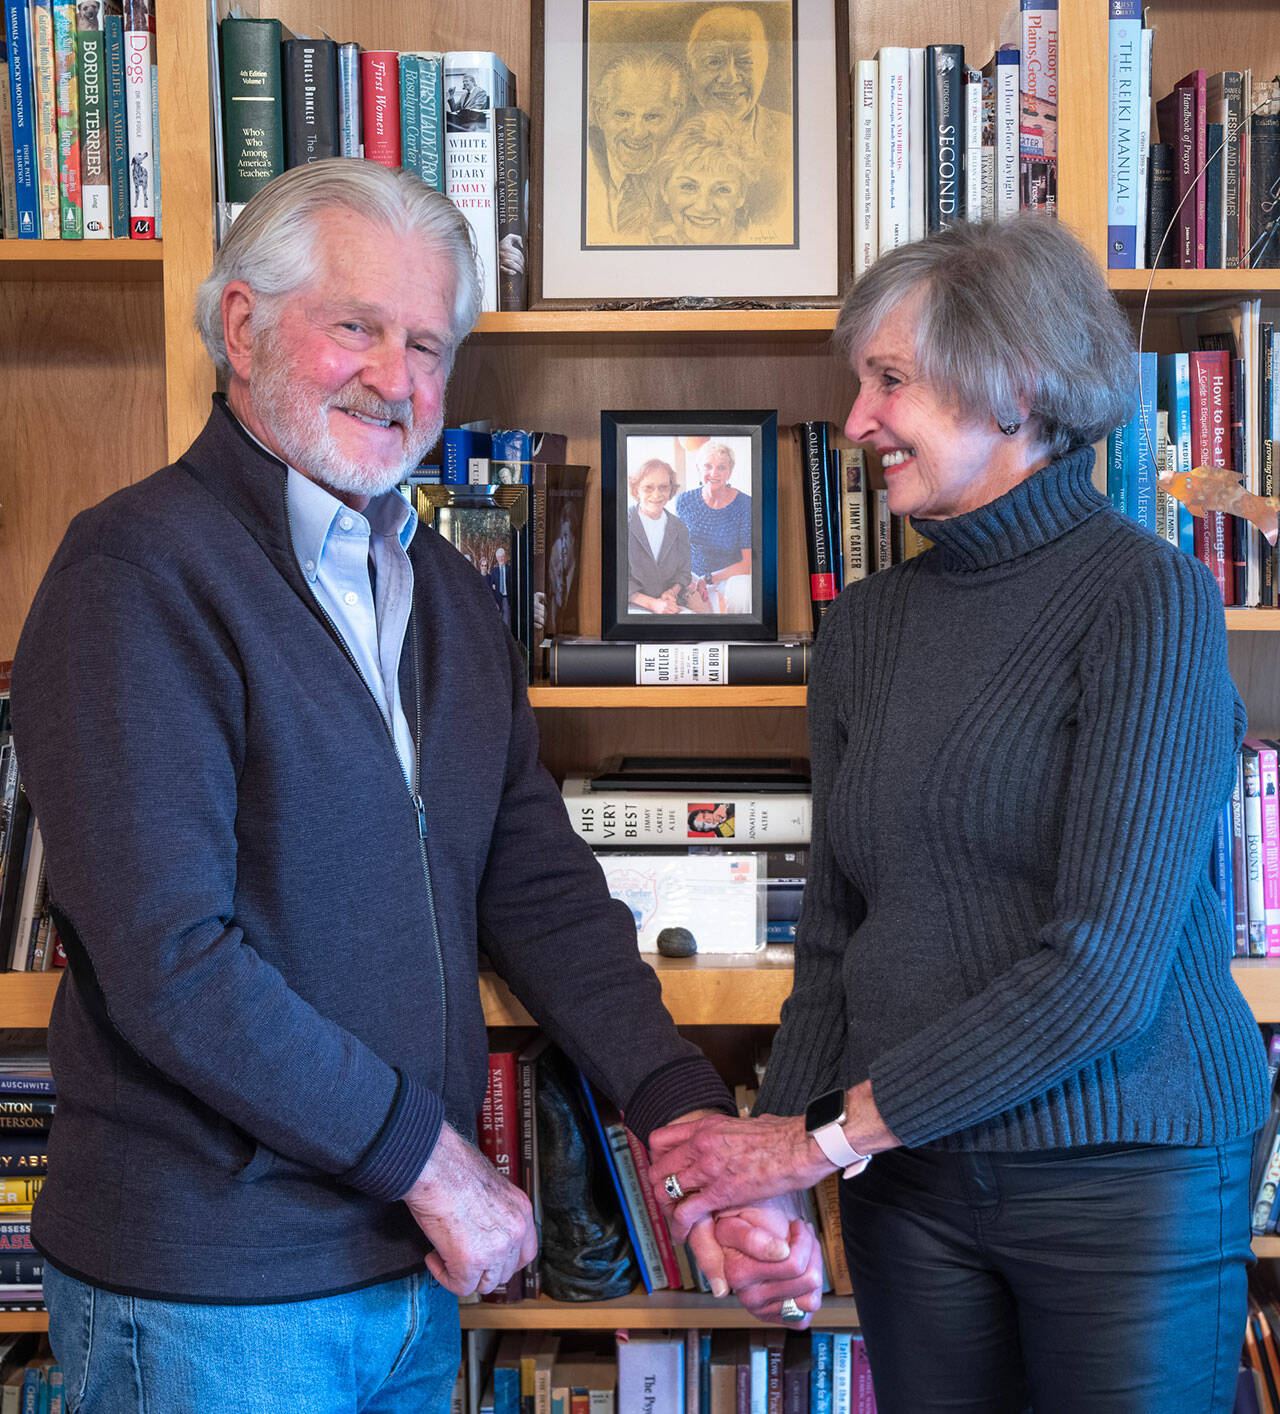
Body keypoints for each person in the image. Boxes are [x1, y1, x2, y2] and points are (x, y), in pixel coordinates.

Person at [9, 159, 748, 1414]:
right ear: (240, 325)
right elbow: (170, 960)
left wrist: (682, 1115)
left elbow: (539, 890)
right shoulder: (135, 572)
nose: (396, 379)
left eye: (426, 344)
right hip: (214, 1298)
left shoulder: (448, 598)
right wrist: (434, 1165)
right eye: (354, 325)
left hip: (405, 1283)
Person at [648, 214, 1270, 1411]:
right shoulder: (867, 628)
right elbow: (833, 936)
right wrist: (778, 1165)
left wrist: (818, 1142)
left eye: (888, 379)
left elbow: (1099, 972)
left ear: (1013, 386)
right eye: (858, 383)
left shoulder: (1147, 599)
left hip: (1119, 1176)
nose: (856, 420)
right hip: (909, 1184)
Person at [684, 5, 791, 234]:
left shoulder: (791, 137)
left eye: (745, 62)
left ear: (764, 65)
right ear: (690, 68)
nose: (730, 77)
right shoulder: (665, 136)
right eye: (714, 61)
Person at [585, 52, 687, 244]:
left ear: (676, 116)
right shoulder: (576, 163)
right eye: (623, 115)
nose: (637, 133)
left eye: (652, 117)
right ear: (599, 113)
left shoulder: (694, 172)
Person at [650, 111, 755, 247]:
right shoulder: (644, 241)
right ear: (664, 189)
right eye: (688, 187)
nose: (703, 207)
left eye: (722, 190)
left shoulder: (755, 242)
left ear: (741, 195)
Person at [674, 440, 752, 613]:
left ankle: (738, 637)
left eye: (721, 467)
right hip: (693, 574)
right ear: (698, 468)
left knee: (743, 590)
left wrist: (708, 579)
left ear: (730, 471)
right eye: (707, 466)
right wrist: (690, 579)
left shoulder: (745, 505)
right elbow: (678, 549)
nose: (713, 473)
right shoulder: (684, 501)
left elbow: (746, 565)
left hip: (730, 575)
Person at [627, 458, 701, 614]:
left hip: (669, 604)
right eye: (648, 487)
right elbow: (615, 578)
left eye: (663, 487)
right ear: (636, 490)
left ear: (671, 489)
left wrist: (671, 592)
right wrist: (653, 604)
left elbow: (684, 572)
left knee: (691, 622)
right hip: (631, 606)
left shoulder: (680, 527)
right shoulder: (621, 524)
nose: (657, 494)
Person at [487, 543, 513, 626]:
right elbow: (492, 585)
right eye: (499, 557)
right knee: (498, 620)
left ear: (504, 557)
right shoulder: (494, 571)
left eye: (502, 556)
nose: (500, 558)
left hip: (506, 597)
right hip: (497, 598)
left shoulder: (510, 569)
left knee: (506, 620)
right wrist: (494, 601)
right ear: (497, 558)